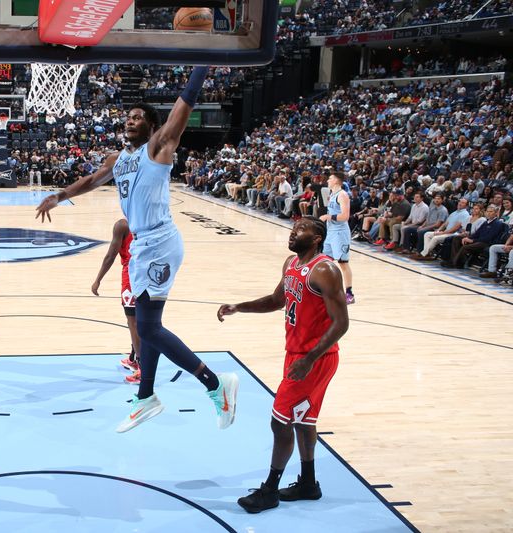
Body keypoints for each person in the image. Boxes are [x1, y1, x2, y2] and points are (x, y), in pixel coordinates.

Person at [36, 66, 239, 433]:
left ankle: (215, 384)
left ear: (151, 125)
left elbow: (184, 107)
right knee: (147, 328)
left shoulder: (158, 147)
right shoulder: (119, 160)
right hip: (144, 246)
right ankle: (145, 397)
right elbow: (92, 179)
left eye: (137, 117)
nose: (129, 121)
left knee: (148, 328)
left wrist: (202, 64)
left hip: (159, 242)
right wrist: (60, 195)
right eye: (127, 117)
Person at [217, 217, 349, 514]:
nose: (294, 231)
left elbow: (341, 323)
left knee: (280, 421)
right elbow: (277, 299)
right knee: (303, 421)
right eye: (293, 227)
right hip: (298, 355)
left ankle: (270, 490)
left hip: (315, 358)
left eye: (302, 229)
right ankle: (309, 483)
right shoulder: (291, 263)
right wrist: (240, 307)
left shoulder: (325, 269)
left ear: (317, 238)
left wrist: (309, 360)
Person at [91, 218, 141, 384]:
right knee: (141, 320)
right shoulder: (149, 221)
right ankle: (134, 358)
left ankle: (142, 367)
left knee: (133, 322)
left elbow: (111, 255)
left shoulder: (123, 225)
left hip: (132, 275)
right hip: (150, 273)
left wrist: (98, 279)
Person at [319, 172, 354, 304]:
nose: (328, 180)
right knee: (325, 261)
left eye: (330, 178)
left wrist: (329, 217)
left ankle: (349, 293)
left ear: (337, 181)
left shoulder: (342, 195)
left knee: (343, 263)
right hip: (331, 232)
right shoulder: (332, 195)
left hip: (340, 233)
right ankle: (326, 289)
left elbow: (345, 216)